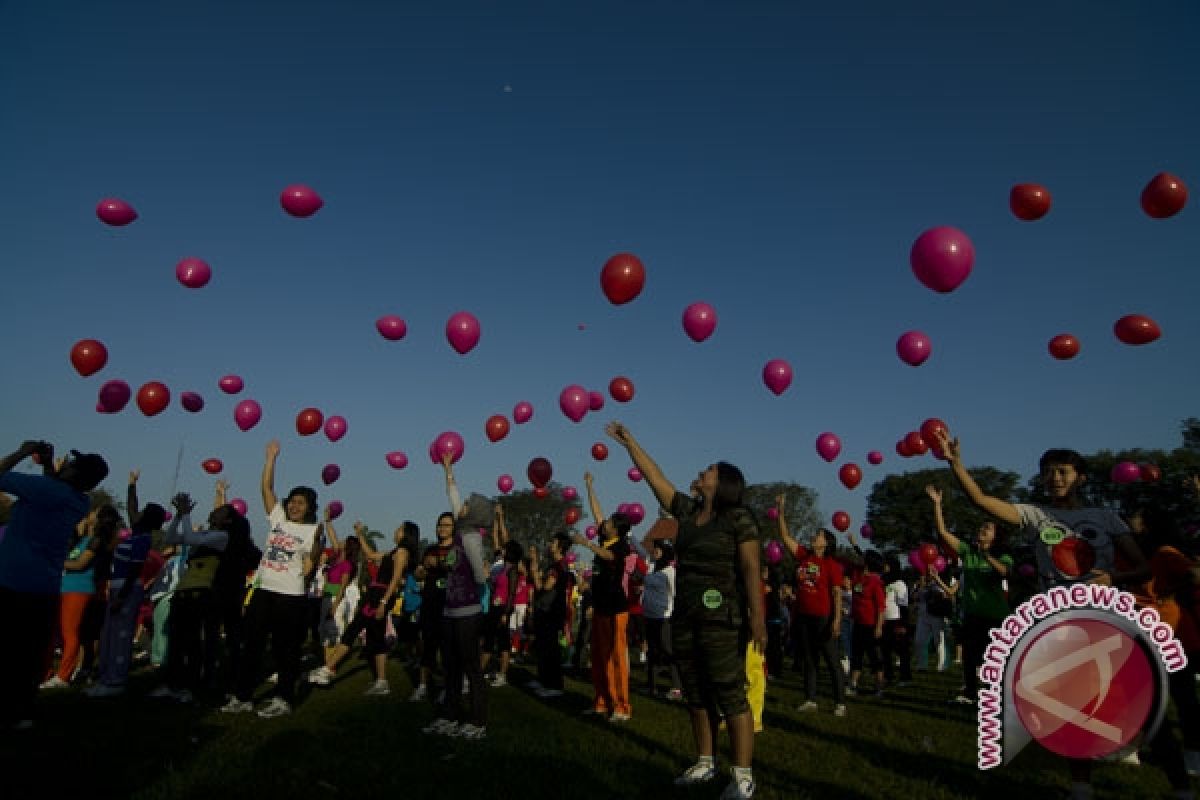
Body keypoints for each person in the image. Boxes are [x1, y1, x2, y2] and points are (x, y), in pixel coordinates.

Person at [931, 429, 1149, 800]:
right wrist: (956, 465)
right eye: (1048, 471)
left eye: (1063, 471)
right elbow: (982, 500)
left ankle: (1130, 743)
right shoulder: (1035, 515)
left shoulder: (1106, 517)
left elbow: (1144, 569)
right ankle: (1081, 784)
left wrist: (1115, 577)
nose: (1054, 478)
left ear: (1080, 477)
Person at [606, 422, 765, 800]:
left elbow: (750, 569)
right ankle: (705, 761)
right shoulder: (687, 512)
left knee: (729, 693)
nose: (701, 472)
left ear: (722, 483)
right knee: (695, 692)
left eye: (709, 470)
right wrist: (631, 443)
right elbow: (654, 477)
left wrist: (757, 618)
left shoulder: (738, 518)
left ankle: (742, 775)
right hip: (686, 618)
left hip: (723, 619)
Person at [0, 440, 108, 730]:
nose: (66, 465)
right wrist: (48, 466)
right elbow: (53, 490)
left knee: (9, 648)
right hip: (45, 585)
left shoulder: (46, 490)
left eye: (72, 465)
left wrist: (23, 452)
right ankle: (22, 709)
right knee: (29, 651)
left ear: (75, 474)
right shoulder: (79, 502)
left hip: (13, 579)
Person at [222, 440, 321, 719]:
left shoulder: (314, 530)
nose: (294, 506)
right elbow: (266, 489)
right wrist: (271, 458)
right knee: (251, 645)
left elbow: (312, 562)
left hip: (291, 596)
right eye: (292, 501)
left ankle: (284, 698)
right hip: (264, 591)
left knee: (285, 650)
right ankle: (243, 696)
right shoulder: (278, 520)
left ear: (309, 506)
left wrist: (313, 556)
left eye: (300, 503)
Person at [422, 454, 492, 739]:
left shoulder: (472, 539)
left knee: (471, 669)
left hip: (467, 612)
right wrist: (448, 469)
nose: (459, 506)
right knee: (450, 667)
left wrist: (455, 565)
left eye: (465, 506)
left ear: (472, 514)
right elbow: (452, 494)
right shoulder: (462, 532)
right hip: (450, 611)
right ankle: (450, 717)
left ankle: (477, 722)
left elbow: (480, 576)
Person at [310, 521, 416, 696]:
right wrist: (360, 534)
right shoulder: (394, 552)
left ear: (405, 534)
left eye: (399, 528)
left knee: (353, 630)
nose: (396, 530)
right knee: (376, 638)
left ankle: (327, 670)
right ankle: (382, 682)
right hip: (376, 594)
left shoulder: (402, 553)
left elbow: (395, 579)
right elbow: (371, 555)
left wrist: (383, 602)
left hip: (378, 596)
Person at [148, 490, 234, 702]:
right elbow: (171, 538)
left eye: (221, 512)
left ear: (229, 520)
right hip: (183, 592)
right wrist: (178, 516)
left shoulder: (222, 537)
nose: (215, 513)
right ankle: (172, 683)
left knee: (194, 642)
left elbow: (189, 537)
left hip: (202, 593)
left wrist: (186, 514)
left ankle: (191, 685)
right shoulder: (204, 535)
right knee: (176, 641)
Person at [774, 498, 845, 716]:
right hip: (803, 617)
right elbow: (785, 537)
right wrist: (781, 512)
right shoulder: (804, 556)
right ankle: (810, 699)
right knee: (809, 659)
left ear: (826, 543)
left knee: (832, 660)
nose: (815, 536)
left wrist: (836, 620)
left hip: (823, 617)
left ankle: (840, 703)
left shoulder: (832, 566)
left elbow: (836, 593)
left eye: (819, 535)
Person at [88, 477, 158, 697]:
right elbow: (132, 507)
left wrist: (122, 596)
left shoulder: (142, 540)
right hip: (118, 588)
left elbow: (134, 572)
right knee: (109, 632)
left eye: (146, 511)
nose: (140, 512)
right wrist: (131, 485)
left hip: (127, 590)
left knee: (121, 635)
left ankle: (116, 680)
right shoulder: (136, 533)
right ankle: (105, 677)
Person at [573, 470, 634, 721]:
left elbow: (610, 558)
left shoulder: (621, 546)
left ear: (616, 530)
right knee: (598, 656)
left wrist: (586, 545)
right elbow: (597, 512)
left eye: (609, 522)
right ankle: (601, 700)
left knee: (616, 657)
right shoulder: (604, 537)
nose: (603, 523)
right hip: (599, 605)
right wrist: (589, 486)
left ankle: (622, 706)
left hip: (616, 608)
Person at [42, 505, 115, 689]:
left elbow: (80, 564)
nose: (89, 514)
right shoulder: (83, 539)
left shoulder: (96, 541)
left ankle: (64, 675)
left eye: (94, 513)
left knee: (70, 632)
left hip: (79, 589)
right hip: (66, 587)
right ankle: (47, 672)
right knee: (56, 631)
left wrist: (54, 562)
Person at [529, 533, 573, 697]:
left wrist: (534, 570)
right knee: (543, 647)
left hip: (551, 612)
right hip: (545, 610)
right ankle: (543, 679)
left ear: (560, 546)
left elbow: (545, 586)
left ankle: (554, 685)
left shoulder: (559, 567)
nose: (550, 544)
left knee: (550, 649)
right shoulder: (554, 565)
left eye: (553, 542)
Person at [642, 539, 682, 699]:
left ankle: (677, 687)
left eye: (659, 549)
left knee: (668, 650)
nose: (656, 551)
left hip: (664, 617)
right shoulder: (652, 568)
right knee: (652, 652)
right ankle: (652, 686)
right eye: (655, 548)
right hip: (649, 616)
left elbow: (675, 593)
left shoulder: (670, 572)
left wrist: (673, 612)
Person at [846, 549, 886, 698]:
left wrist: (878, 626)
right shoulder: (858, 574)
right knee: (856, 656)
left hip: (871, 626)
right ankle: (853, 685)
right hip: (858, 623)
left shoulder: (876, 582)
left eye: (863, 558)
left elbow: (881, 607)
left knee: (875, 658)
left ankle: (879, 687)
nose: (860, 558)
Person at [912, 563, 956, 673]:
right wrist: (921, 586)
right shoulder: (919, 583)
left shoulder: (942, 581)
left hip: (937, 615)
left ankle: (942, 666)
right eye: (927, 570)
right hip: (923, 615)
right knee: (919, 641)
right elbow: (914, 597)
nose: (928, 572)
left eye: (931, 570)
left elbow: (948, 595)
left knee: (939, 641)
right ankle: (922, 665)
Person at [880, 555, 912, 689]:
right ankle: (889, 676)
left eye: (887, 565)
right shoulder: (883, 581)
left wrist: (903, 624)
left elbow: (904, 606)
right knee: (885, 651)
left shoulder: (899, 583)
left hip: (896, 620)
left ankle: (905, 677)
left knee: (902, 651)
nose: (885, 567)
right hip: (884, 620)